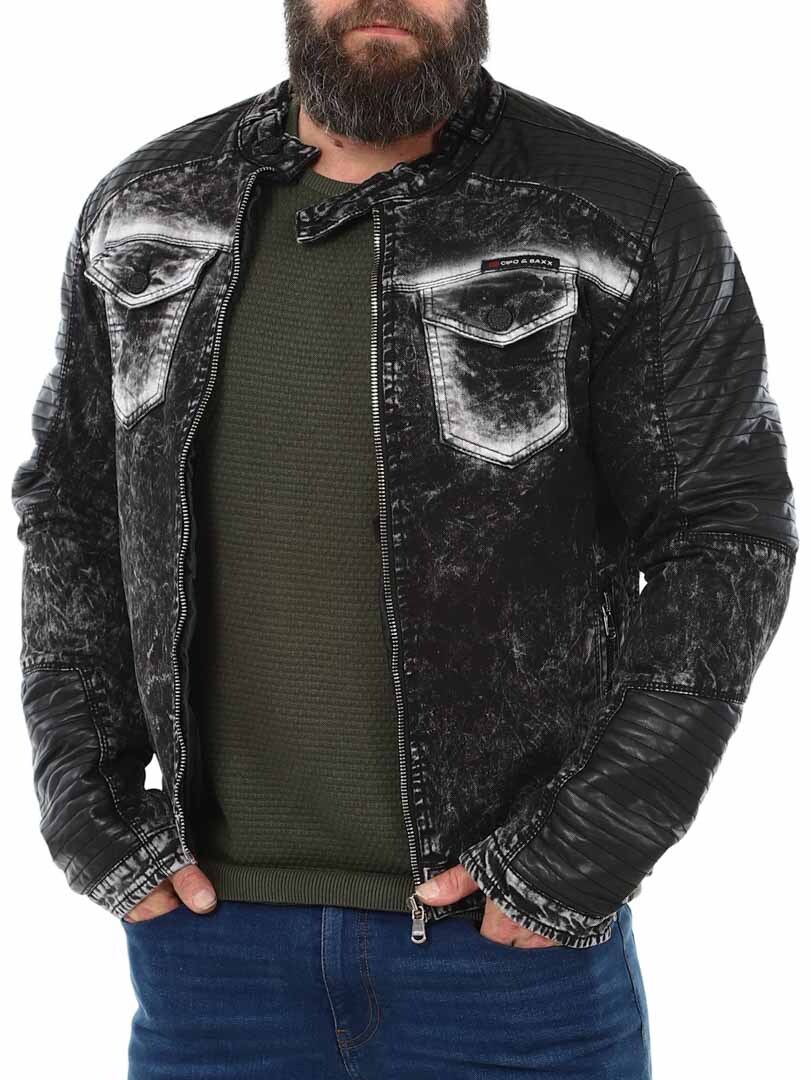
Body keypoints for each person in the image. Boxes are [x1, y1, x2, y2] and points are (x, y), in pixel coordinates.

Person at [11, 1, 798, 1077]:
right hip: (208, 952)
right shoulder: (145, 209)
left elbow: (728, 530)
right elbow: (71, 507)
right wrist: (85, 801)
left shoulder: (622, 212)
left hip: (507, 953)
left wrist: (587, 847)